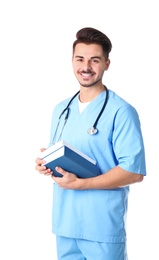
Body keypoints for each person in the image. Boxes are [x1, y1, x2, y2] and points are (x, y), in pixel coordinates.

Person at [35, 27, 146, 260]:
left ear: (106, 64)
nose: (86, 67)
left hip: (101, 226)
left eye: (95, 60)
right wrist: (46, 164)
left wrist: (82, 184)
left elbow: (133, 172)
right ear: (72, 61)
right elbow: (61, 155)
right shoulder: (61, 110)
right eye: (80, 59)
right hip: (65, 224)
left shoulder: (122, 112)